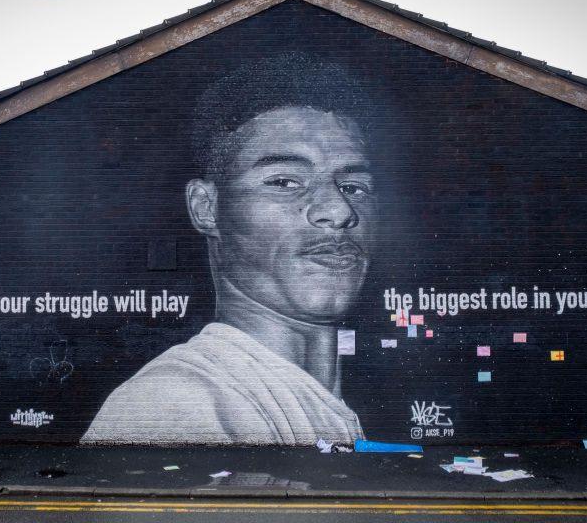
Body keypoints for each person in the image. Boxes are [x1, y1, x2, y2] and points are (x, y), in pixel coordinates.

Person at [81, 53, 377, 445]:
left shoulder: (319, 402)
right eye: (285, 181)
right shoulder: (178, 404)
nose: (338, 210)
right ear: (206, 208)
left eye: (354, 187)